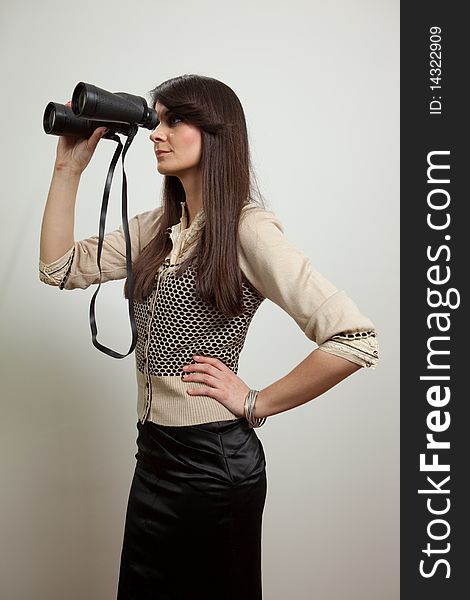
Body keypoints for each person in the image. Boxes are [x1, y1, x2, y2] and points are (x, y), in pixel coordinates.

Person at [39, 74, 379, 600]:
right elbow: (59, 268)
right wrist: (68, 167)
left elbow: (354, 339)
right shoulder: (160, 227)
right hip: (152, 457)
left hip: (213, 467)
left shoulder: (248, 229)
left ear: (217, 135)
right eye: (155, 119)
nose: (157, 131)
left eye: (175, 120)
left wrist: (255, 400)